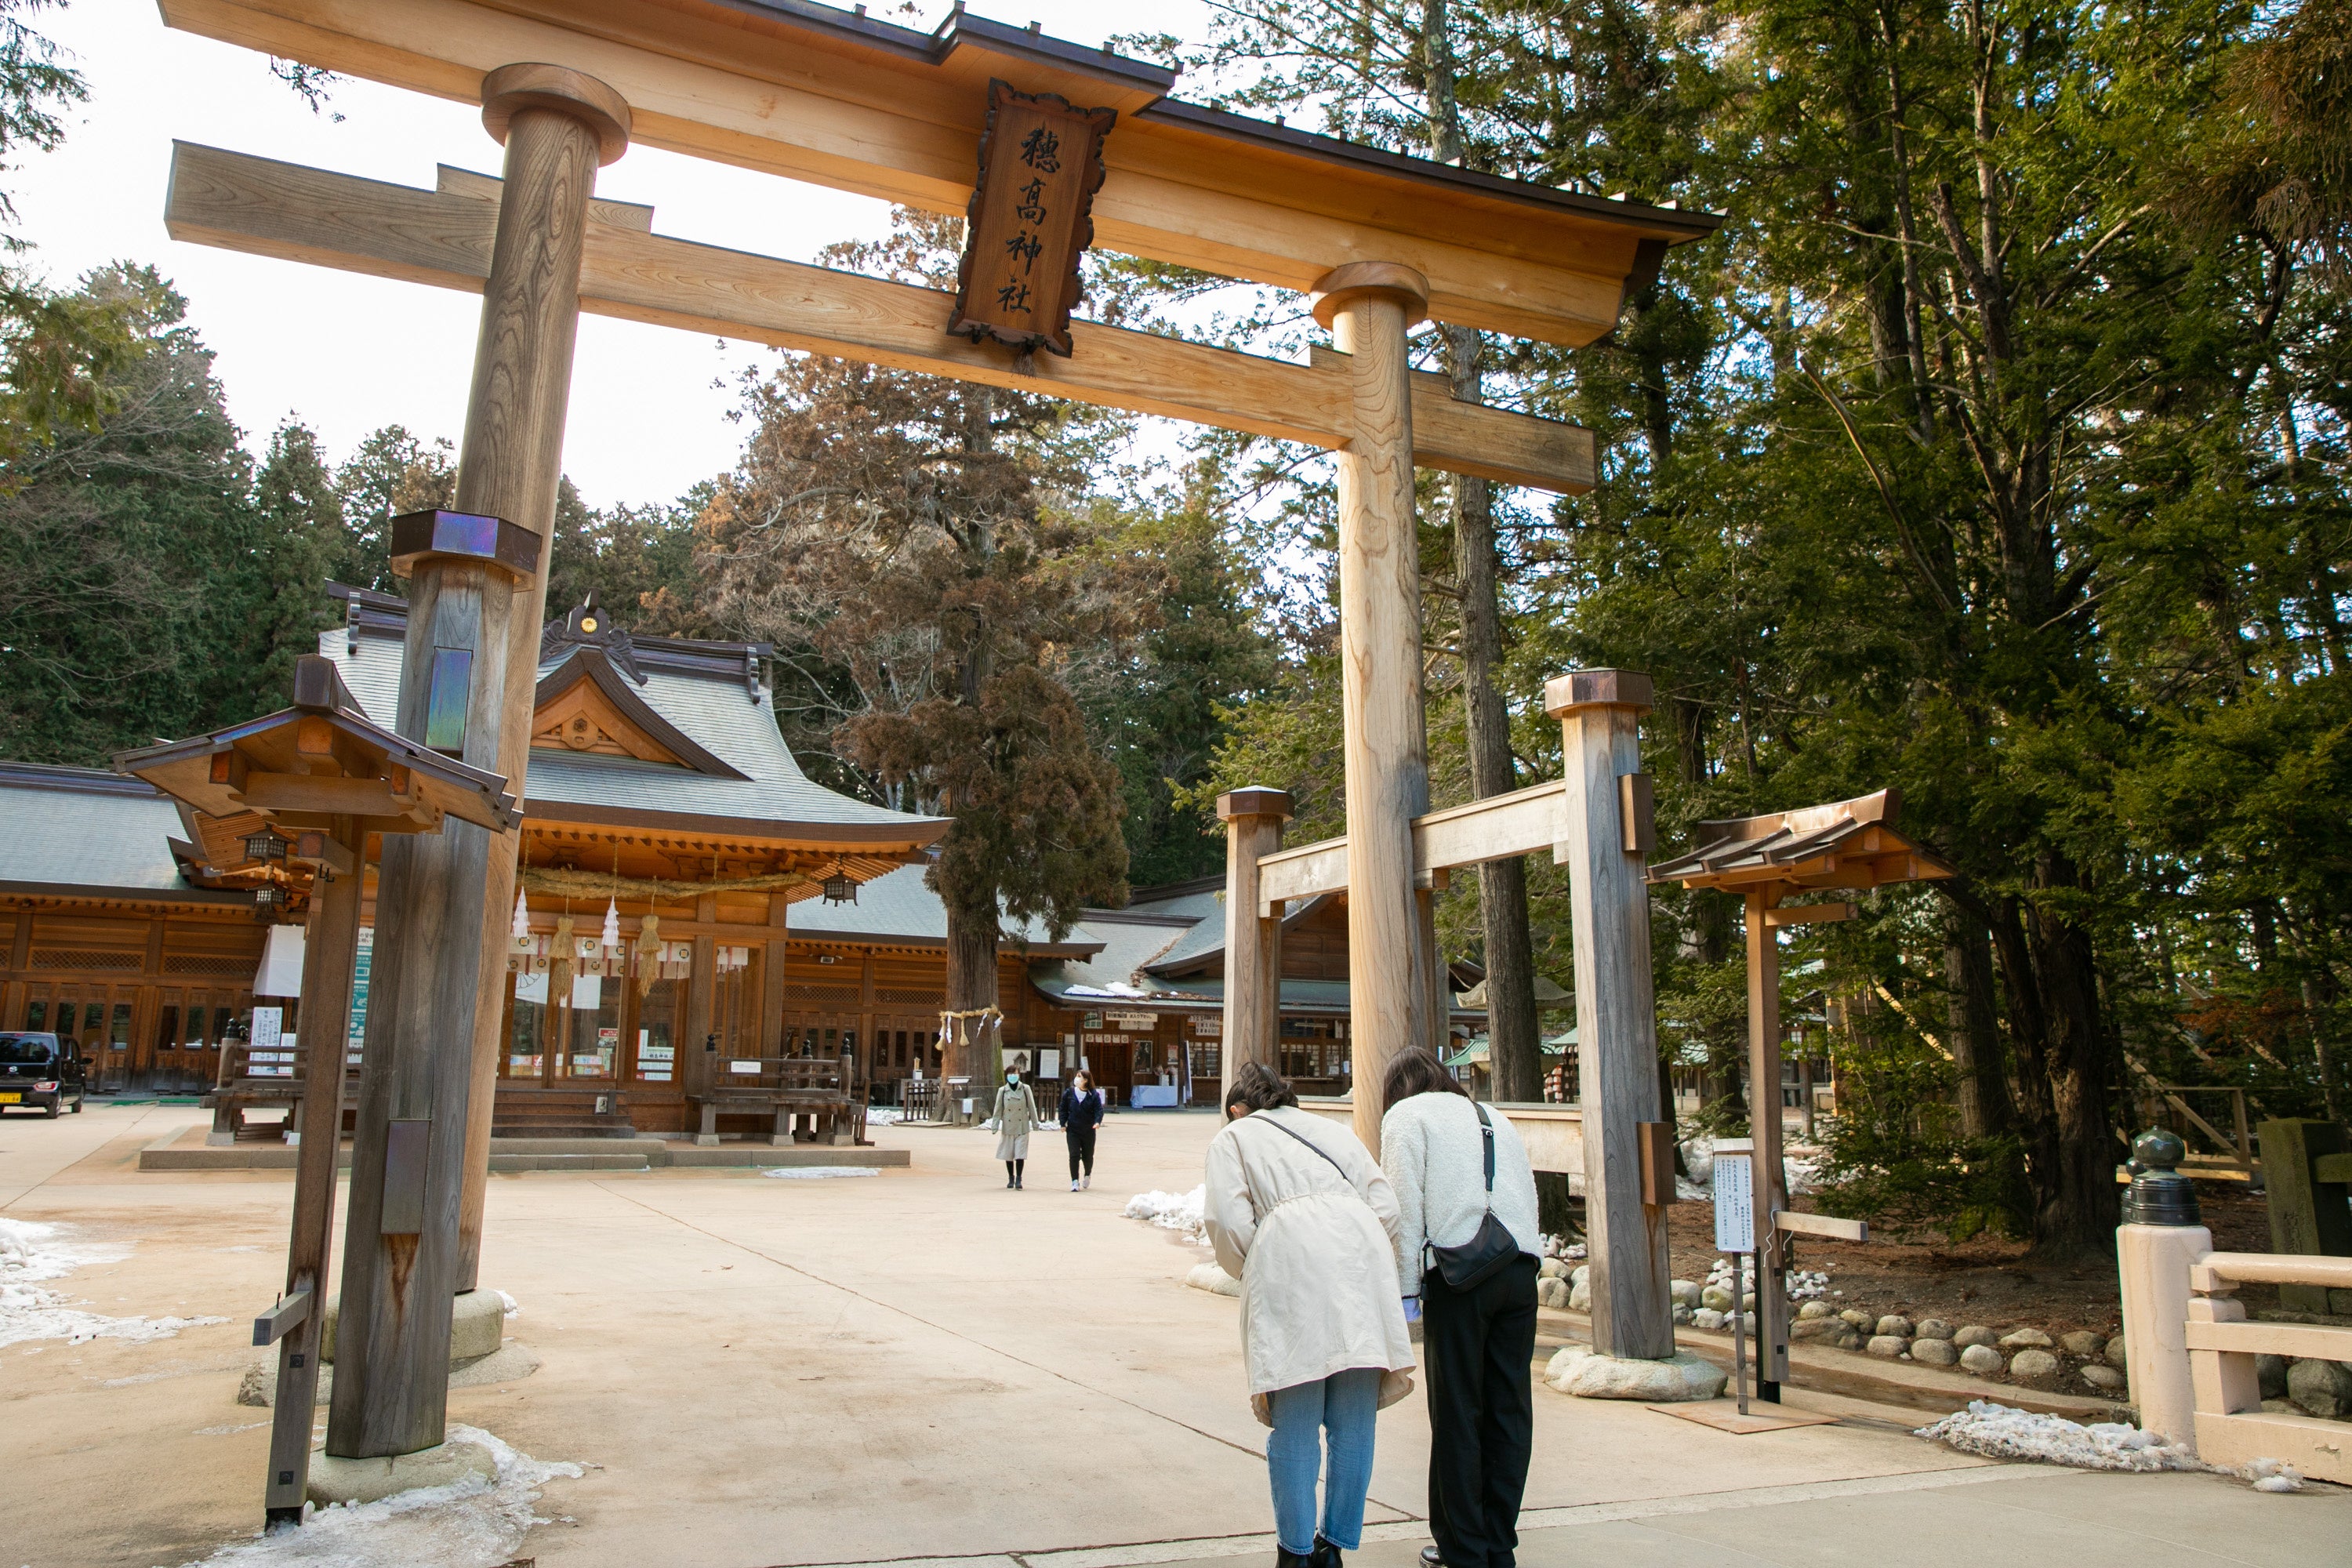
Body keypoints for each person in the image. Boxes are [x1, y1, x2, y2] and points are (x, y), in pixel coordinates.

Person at [1205, 1061, 1415, 1568]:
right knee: (1353, 1421)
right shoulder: (1331, 1129)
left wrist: (1264, 1258)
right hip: (1361, 1256)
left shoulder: (1233, 1138)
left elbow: (1228, 1221)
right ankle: (1334, 1547)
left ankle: (1294, 1551)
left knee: (1295, 1421)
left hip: (1291, 1258)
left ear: (1237, 1109)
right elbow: (1386, 1206)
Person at [1378, 1048, 1541, 1568]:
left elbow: (1402, 1209)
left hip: (1460, 1275)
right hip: (1519, 1268)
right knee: (1508, 1410)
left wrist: (1404, 1301)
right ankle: (1498, 1544)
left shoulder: (1406, 1116)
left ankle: (1464, 1549)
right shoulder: (1495, 1115)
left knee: (1458, 1414)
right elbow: (1527, 1193)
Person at [993, 1063, 1038, 1189]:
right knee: (1008, 1154)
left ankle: (1019, 1178)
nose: (1013, 1076)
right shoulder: (1002, 1091)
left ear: (1019, 1075)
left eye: (1015, 1073)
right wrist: (995, 1125)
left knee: (1020, 1154)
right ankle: (1010, 1178)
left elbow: (1032, 1107)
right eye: (1010, 1074)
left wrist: (1035, 1124)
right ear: (1007, 1075)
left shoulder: (1025, 1089)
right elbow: (998, 1109)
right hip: (1008, 1127)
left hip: (1022, 1126)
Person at [1058, 1069, 1105, 1190]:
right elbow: (1063, 1109)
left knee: (1087, 1156)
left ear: (1086, 1080)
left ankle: (1087, 1174)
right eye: (1077, 1076)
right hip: (1073, 1129)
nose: (1077, 1079)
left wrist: (1097, 1122)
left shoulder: (1093, 1095)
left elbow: (1099, 1110)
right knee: (1074, 1155)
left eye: (1080, 1077)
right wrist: (1063, 1123)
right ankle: (1074, 1181)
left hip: (1088, 1130)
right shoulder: (1069, 1093)